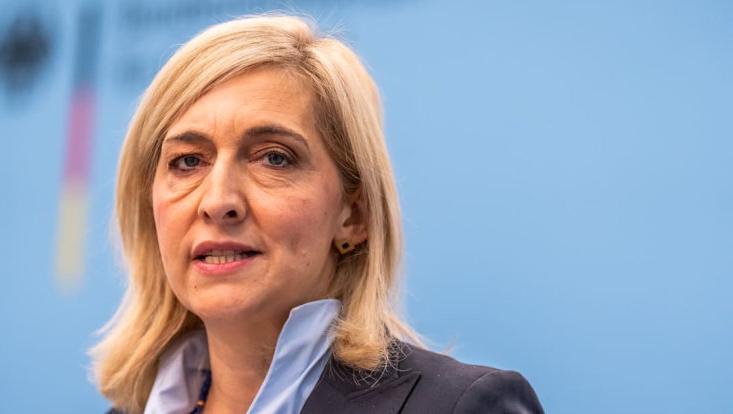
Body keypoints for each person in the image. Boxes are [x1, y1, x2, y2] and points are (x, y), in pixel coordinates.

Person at [90, 14, 544, 414]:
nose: (217, 201)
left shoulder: (463, 408)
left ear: (354, 215)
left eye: (274, 158)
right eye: (188, 161)